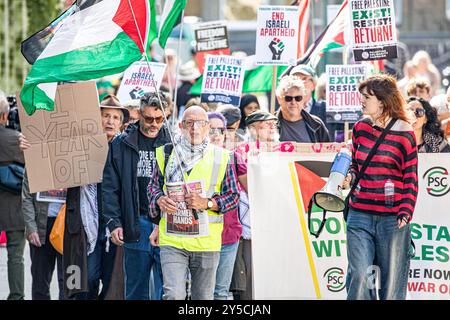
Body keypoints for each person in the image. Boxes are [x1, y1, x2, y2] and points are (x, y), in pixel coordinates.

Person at [148, 106, 239, 300]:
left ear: (208, 128)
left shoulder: (223, 157)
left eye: (200, 124)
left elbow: (233, 197)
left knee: (203, 299)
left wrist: (206, 203)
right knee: (173, 295)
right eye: (189, 123)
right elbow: (152, 188)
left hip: (206, 244)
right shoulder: (165, 153)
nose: (194, 129)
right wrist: (159, 199)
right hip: (173, 241)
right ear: (181, 126)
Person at [344, 74, 418, 300]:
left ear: (383, 101)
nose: (362, 101)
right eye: (362, 96)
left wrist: (405, 212)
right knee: (358, 275)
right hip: (359, 214)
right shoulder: (359, 128)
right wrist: (349, 176)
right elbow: (357, 164)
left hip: (392, 218)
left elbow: (410, 177)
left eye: (367, 97)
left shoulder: (405, 133)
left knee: (392, 284)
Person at [102, 91, 171, 300]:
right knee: (136, 291)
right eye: (149, 118)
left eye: (159, 119)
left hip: (167, 224)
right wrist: (114, 222)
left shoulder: (174, 143)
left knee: (168, 291)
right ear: (139, 114)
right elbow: (109, 186)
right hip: (136, 222)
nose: (154, 124)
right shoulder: (121, 143)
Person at [63, 94, 129, 300]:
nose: (110, 121)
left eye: (115, 117)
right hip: (85, 225)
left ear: (121, 123)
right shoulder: (80, 146)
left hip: (114, 226)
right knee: (85, 279)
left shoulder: (126, 150)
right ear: (96, 118)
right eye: (106, 115)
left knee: (112, 283)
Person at [231, 110, 280, 300]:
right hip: (252, 222)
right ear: (252, 128)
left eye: (273, 124)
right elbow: (249, 186)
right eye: (267, 124)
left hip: (275, 222)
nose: (272, 128)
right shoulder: (241, 152)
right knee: (250, 279)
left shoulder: (281, 150)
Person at [207, 111, 242, 300]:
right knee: (201, 293)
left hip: (229, 236)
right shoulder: (190, 160)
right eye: (211, 129)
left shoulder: (234, 158)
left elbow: (250, 188)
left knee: (220, 293)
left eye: (220, 130)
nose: (216, 134)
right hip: (202, 237)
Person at [0, 94, 25, 300]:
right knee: (15, 256)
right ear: (5, 115)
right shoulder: (16, 139)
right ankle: (16, 296)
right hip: (14, 207)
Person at [276, 75, 330, 143]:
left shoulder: (317, 124)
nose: (293, 102)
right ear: (279, 99)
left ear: (303, 99)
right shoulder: (270, 125)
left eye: (298, 98)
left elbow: (327, 151)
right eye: (288, 98)